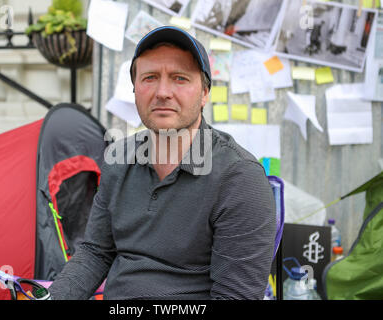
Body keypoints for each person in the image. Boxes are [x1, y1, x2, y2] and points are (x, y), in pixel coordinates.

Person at [48, 26, 276, 300]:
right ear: (135, 89)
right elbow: (96, 252)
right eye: (150, 78)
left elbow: (235, 296)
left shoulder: (239, 178)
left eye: (179, 78)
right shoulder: (118, 160)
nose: (163, 92)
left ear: (204, 93)